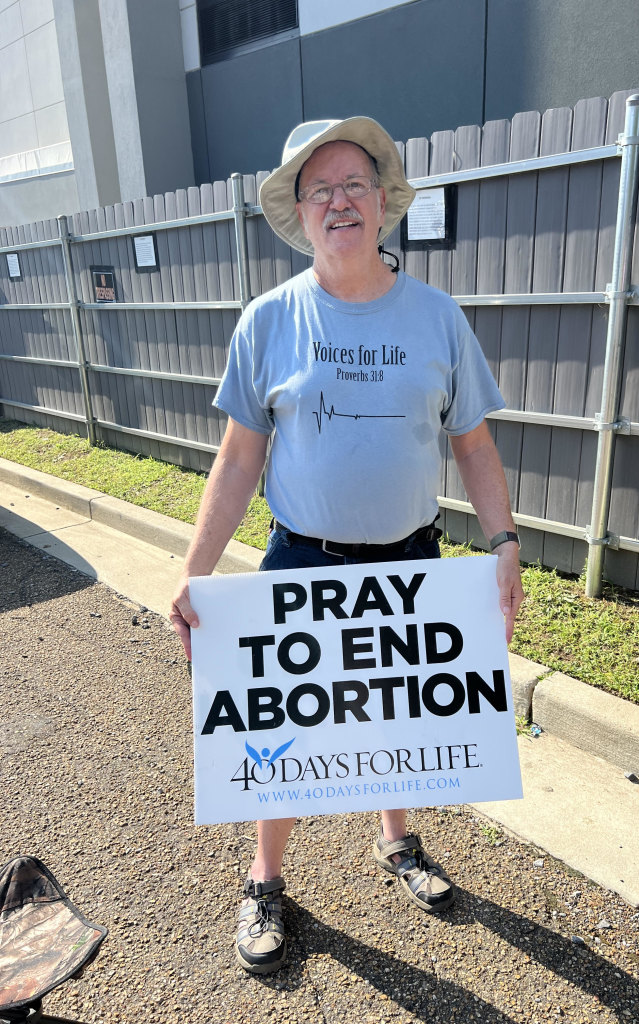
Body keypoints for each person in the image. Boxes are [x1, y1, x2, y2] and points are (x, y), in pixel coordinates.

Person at [170, 116, 524, 975]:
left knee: (398, 717)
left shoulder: (438, 319)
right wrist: (195, 572)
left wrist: (506, 543)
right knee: (280, 735)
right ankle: (265, 882)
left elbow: (473, 444)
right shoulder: (268, 320)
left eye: (354, 185)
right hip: (302, 561)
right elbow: (239, 453)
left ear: (382, 202)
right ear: (301, 210)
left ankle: (396, 842)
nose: (339, 201)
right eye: (319, 189)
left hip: (410, 565)